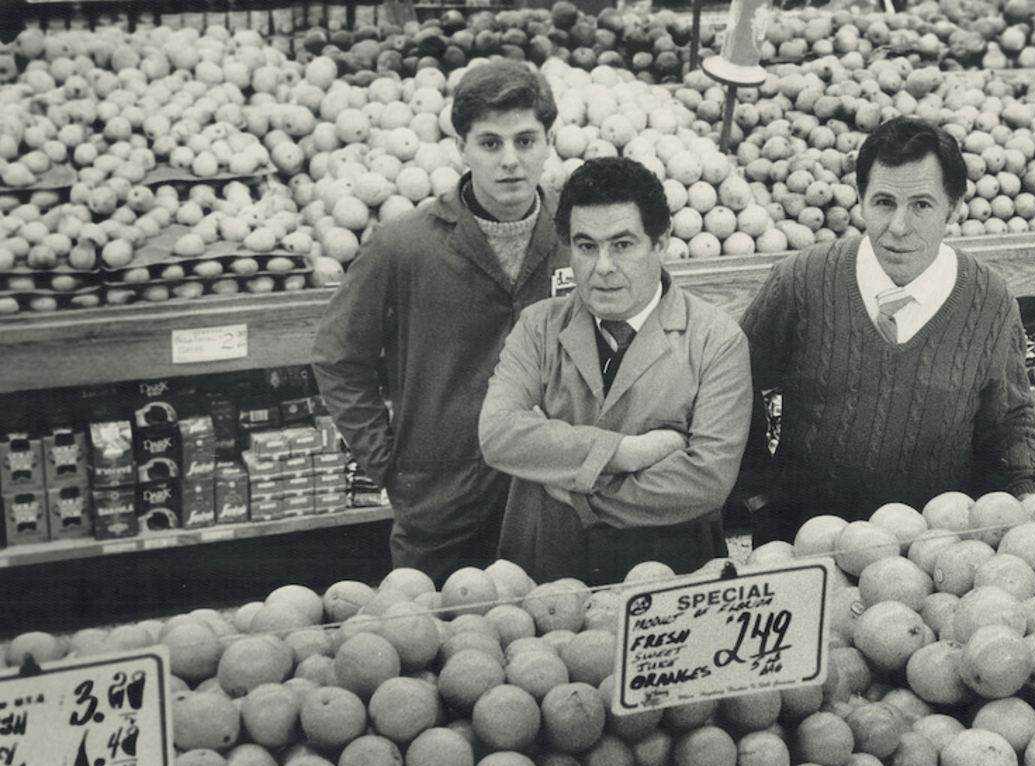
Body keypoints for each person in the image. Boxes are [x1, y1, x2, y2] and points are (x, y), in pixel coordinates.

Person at [311, 60, 570, 586]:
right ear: (461, 148)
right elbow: (338, 357)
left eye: (525, 140)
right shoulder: (403, 245)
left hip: (553, 492)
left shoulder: (578, 237)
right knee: (432, 628)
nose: (510, 161)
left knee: (556, 626)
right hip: (442, 500)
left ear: (549, 141)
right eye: (490, 143)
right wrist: (389, 464)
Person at [737, 115, 1035, 546]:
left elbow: (1010, 422)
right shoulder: (803, 279)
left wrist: (1032, 506)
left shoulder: (989, 299)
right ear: (861, 200)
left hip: (934, 552)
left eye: (921, 205)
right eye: (884, 202)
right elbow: (737, 383)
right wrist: (758, 495)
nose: (899, 226)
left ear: (954, 208)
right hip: (807, 542)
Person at [477, 157, 752, 585]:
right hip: (546, 575)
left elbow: (706, 481)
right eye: (586, 246)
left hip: (669, 578)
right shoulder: (538, 326)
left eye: (622, 245)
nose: (602, 266)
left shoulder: (716, 339)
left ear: (660, 243)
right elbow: (498, 434)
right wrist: (626, 453)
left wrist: (578, 492)